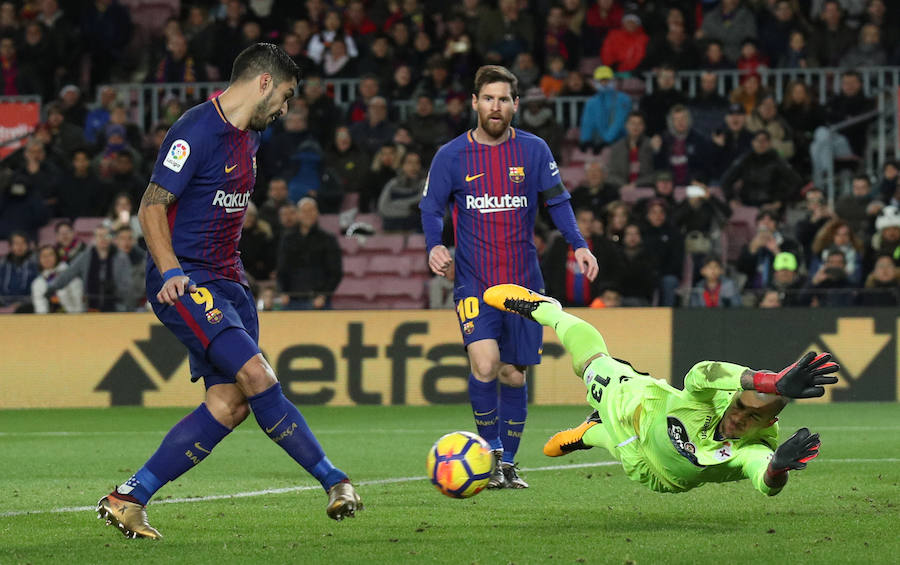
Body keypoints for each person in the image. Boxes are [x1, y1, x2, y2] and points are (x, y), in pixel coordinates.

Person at [95, 43, 360, 541]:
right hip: (187, 279)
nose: (285, 108)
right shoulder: (195, 130)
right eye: (284, 96)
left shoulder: (250, 138)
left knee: (230, 404)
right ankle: (335, 481)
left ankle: (128, 498)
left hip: (230, 283)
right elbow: (152, 206)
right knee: (258, 375)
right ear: (263, 83)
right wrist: (172, 271)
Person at [419, 65, 599, 489]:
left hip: (523, 284)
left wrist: (580, 244)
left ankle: (509, 464)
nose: (495, 106)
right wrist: (434, 244)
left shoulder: (534, 151)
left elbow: (558, 202)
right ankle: (491, 453)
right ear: (475, 103)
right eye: (488, 98)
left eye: (503, 99)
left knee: (513, 374)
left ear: (515, 105)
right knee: (485, 364)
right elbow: (431, 207)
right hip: (474, 282)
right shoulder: (451, 156)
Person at [483, 283, 839, 496]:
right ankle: (547, 310)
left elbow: (762, 475)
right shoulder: (719, 392)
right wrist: (771, 382)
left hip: (656, 473)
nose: (740, 419)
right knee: (591, 363)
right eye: (740, 407)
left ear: (768, 423)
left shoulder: (757, 445)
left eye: (754, 417)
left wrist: (776, 471)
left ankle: (590, 433)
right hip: (642, 407)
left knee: (616, 444)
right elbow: (702, 373)